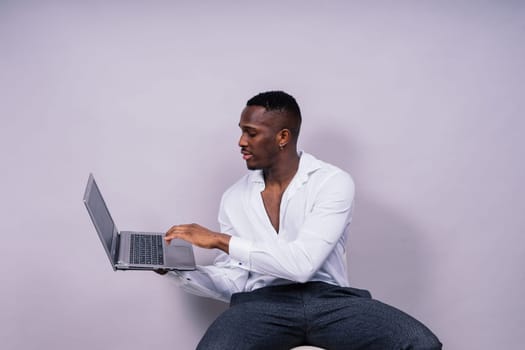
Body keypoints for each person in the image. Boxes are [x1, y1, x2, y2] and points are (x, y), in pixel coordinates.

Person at [162, 91, 442, 350]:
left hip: (330, 302)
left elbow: (302, 266)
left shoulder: (332, 182)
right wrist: (176, 269)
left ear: (282, 137)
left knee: (420, 343)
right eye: (241, 131)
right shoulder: (234, 197)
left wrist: (220, 241)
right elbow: (235, 280)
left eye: (252, 133)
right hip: (262, 304)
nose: (241, 142)